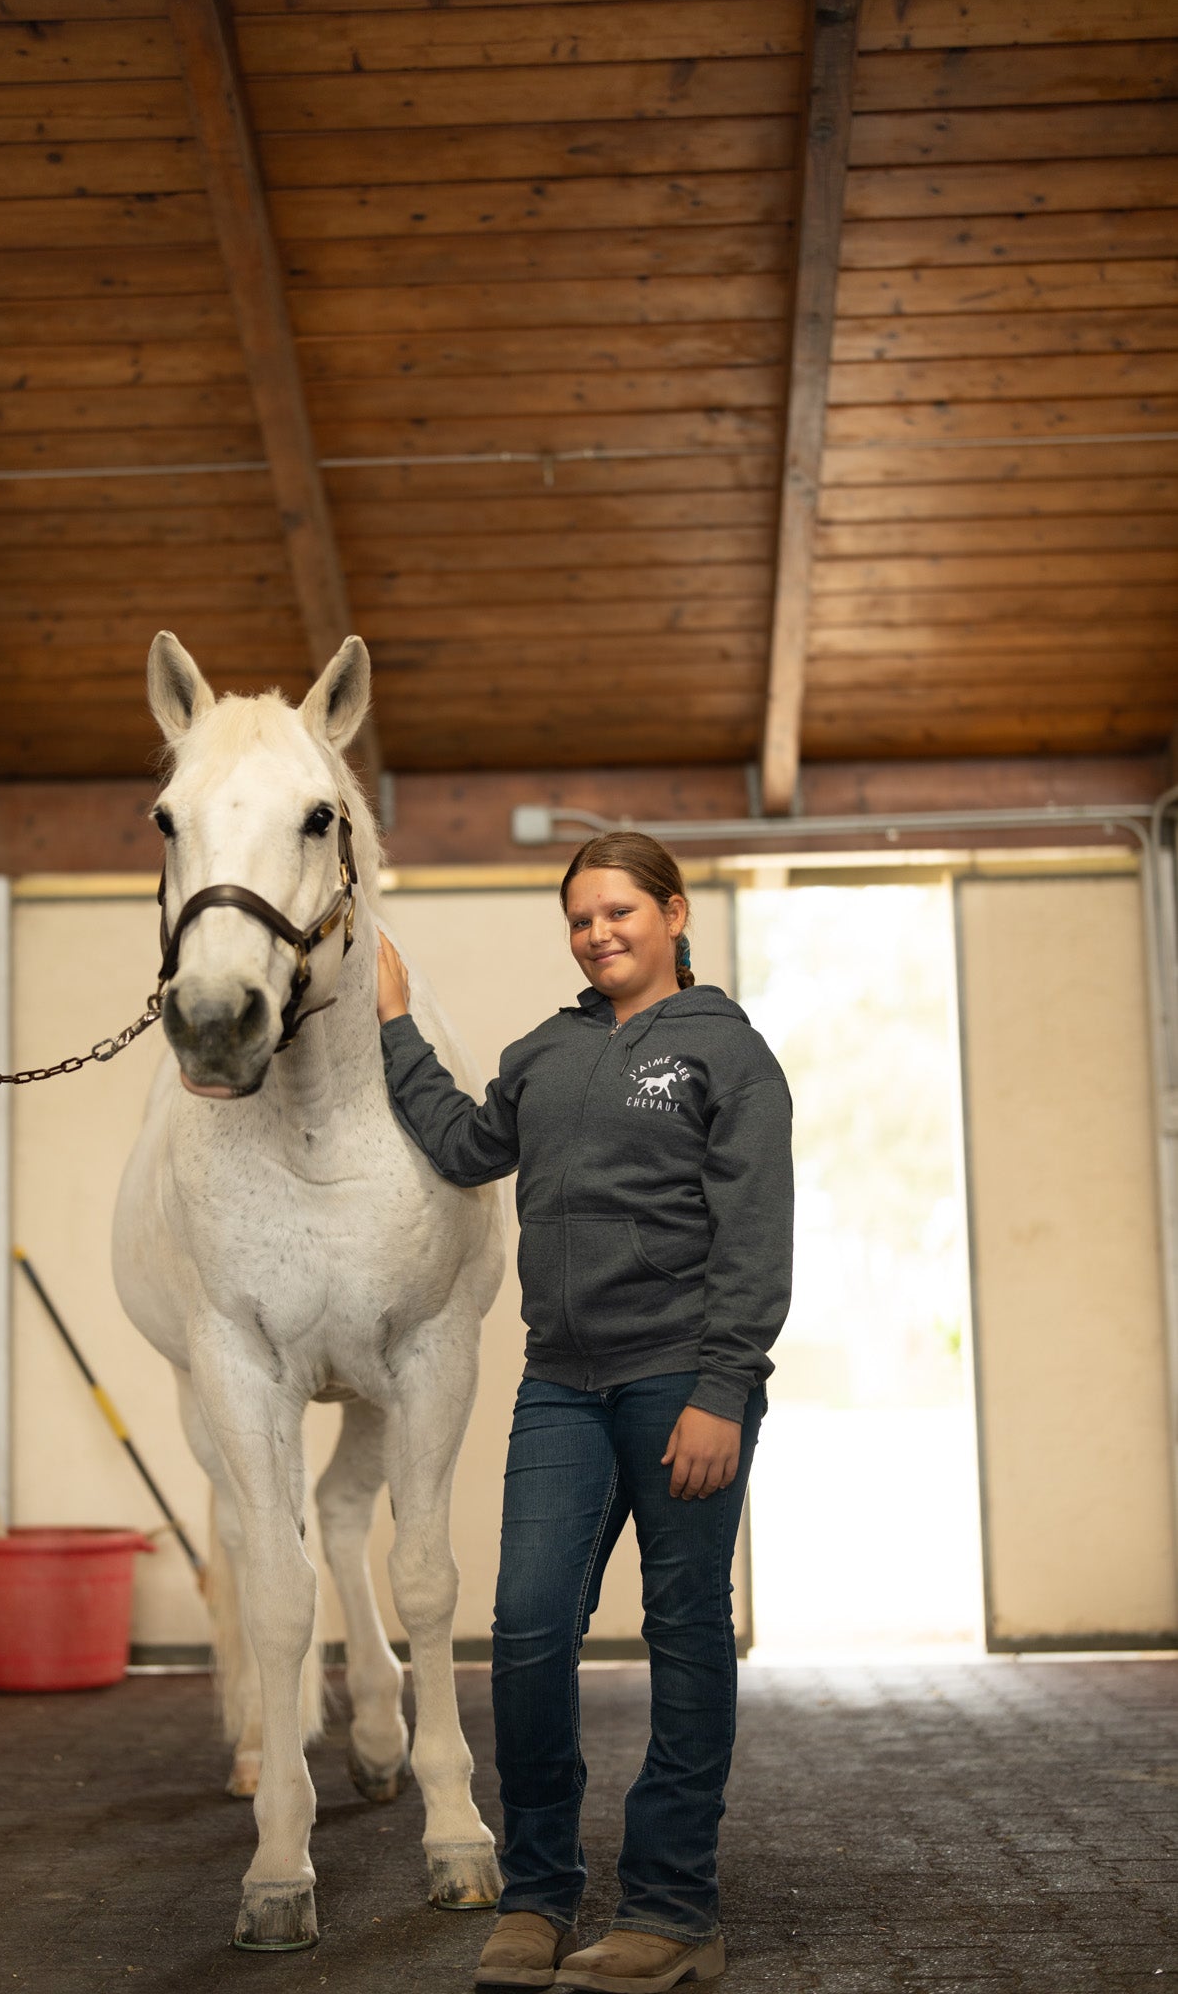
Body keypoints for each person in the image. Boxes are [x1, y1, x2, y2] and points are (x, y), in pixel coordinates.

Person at [375, 832, 793, 1994]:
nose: (598, 932)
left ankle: (673, 1908)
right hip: (559, 1382)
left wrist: (722, 1389)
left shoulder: (728, 1053)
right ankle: (538, 1893)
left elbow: (757, 1236)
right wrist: (396, 1027)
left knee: (686, 1630)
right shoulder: (544, 1052)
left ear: (673, 912)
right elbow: (467, 1146)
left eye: (619, 910)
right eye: (579, 917)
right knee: (525, 1625)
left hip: (682, 1382)